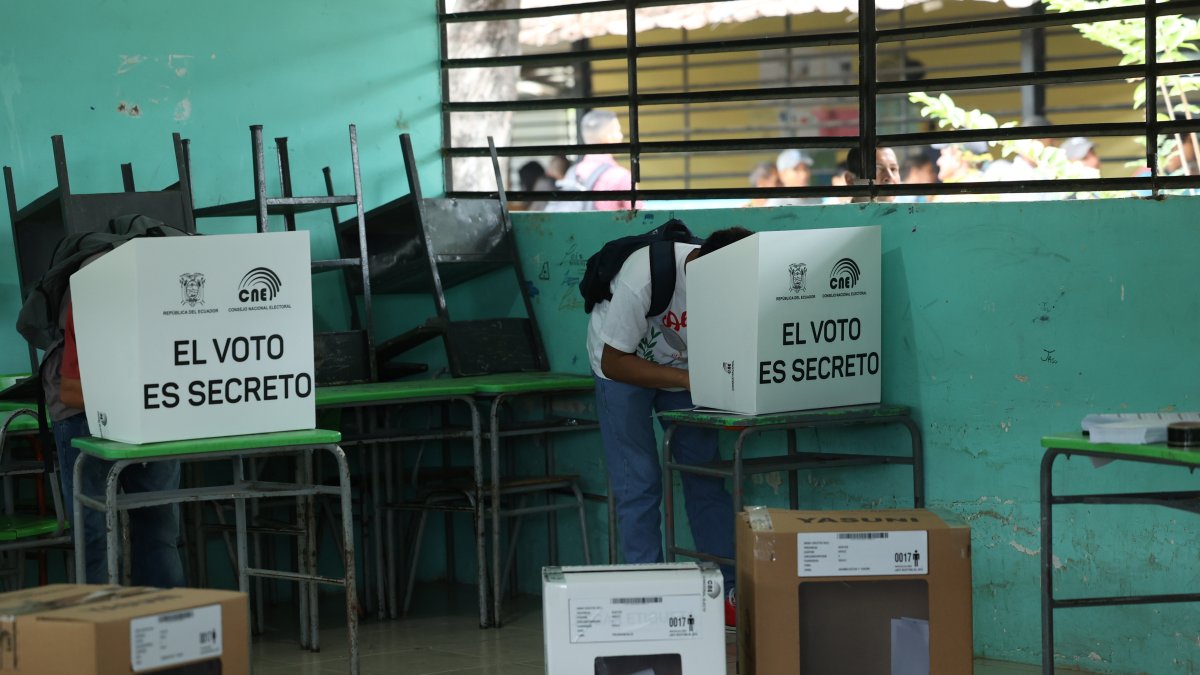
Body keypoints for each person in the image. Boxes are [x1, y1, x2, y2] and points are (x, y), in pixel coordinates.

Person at [588, 226, 754, 628]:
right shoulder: (643, 276)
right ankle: (648, 597)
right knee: (638, 480)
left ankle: (726, 591)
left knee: (705, 477)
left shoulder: (736, 278)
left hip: (684, 372)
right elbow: (614, 361)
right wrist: (686, 381)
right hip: (623, 369)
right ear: (702, 267)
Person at [53, 298, 187, 588]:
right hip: (90, 414)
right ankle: (116, 626)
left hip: (152, 406)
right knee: (108, 536)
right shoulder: (96, 282)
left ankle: (149, 624)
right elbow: (72, 392)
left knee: (152, 530)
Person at [561, 110, 638, 211]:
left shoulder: (572, 173)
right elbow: (640, 218)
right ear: (608, 136)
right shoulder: (620, 176)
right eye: (618, 131)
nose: (621, 136)